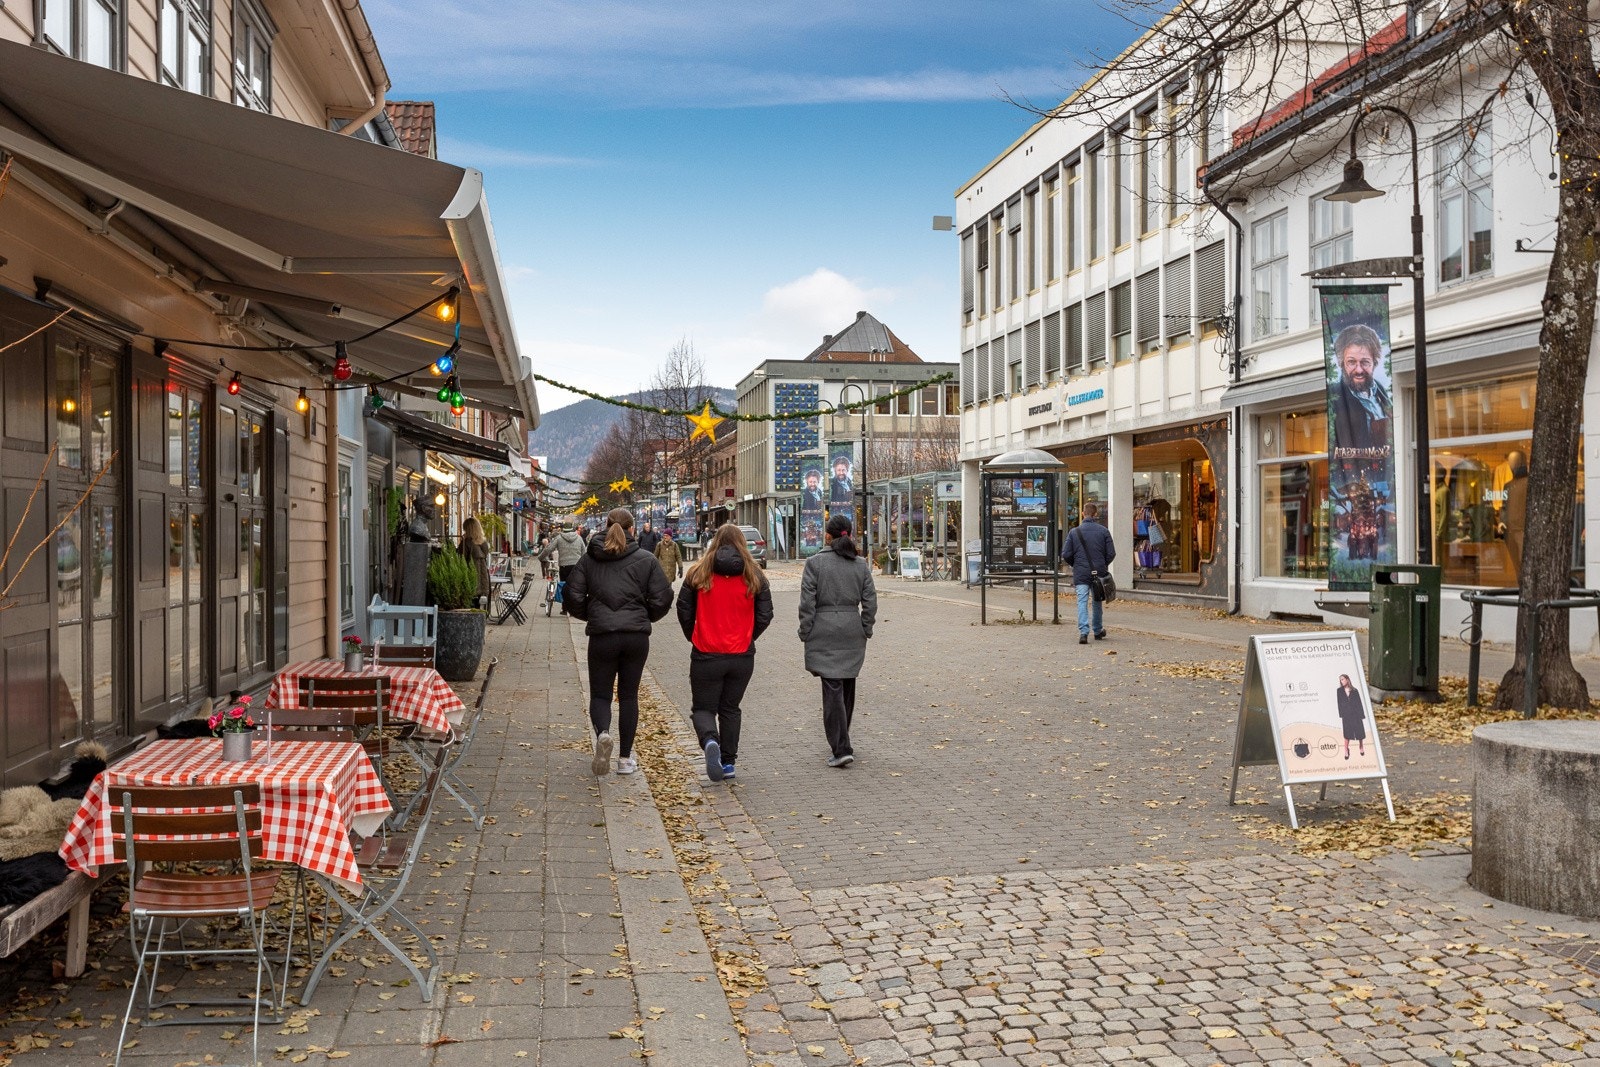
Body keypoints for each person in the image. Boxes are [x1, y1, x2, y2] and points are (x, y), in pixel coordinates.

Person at [564, 508, 673, 776]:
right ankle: (625, 759)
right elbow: (664, 597)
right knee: (628, 696)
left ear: (605, 526)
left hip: (603, 637)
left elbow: (571, 595)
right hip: (635, 637)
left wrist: (592, 614)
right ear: (632, 529)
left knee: (601, 694)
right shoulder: (646, 560)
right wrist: (645, 616)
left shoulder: (590, 559)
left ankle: (603, 734)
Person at [676, 524, 774, 782]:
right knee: (731, 709)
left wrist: (695, 636)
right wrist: (748, 635)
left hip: (706, 652)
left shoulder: (698, 573)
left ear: (715, 542)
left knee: (703, 709)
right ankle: (728, 763)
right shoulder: (754, 574)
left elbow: (683, 608)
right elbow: (766, 614)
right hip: (741, 655)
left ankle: (710, 741)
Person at [798, 514, 877, 768]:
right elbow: (870, 601)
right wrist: (865, 627)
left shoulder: (814, 563)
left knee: (832, 688)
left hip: (823, 630)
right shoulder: (861, 565)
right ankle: (843, 740)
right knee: (847, 684)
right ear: (849, 534)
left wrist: (806, 630)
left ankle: (841, 747)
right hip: (852, 629)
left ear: (828, 536)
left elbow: (807, 602)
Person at [1329, 323, 1392, 451]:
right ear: (1342, 363)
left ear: (1374, 363)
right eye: (1351, 362)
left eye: (1365, 362)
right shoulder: (1333, 397)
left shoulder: (1381, 390)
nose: (1358, 370)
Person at [1061, 503, 1116, 644]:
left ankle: (1083, 632)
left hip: (1081, 573)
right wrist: (1102, 564)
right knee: (1097, 600)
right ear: (1095, 514)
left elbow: (1066, 554)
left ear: (1083, 513)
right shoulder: (1104, 531)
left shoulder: (1074, 532)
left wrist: (1076, 564)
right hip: (1099, 572)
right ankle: (1097, 630)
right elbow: (1111, 553)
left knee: (1082, 601)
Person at [539, 519, 588, 615]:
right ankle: (574, 608)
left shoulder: (559, 538)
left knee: (564, 586)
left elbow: (549, 548)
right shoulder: (578, 538)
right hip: (576, 566)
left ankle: (565, 608)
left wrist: (541, 557)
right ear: (572, 529)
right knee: (574, 587)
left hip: (564, 566)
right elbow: (584, 553)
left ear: (563, 529)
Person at [459, 516, 491, 608]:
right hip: (483, 577)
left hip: (471, 577)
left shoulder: (466, 543)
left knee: (470, 603)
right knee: (479, 604)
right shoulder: (483, 543)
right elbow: (485, 555)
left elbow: (461, 558)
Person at [1335, 674, 1366, 759]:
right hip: (1346, 714)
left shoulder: (1355, 690)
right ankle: (1346, 750)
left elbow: (1359, 703)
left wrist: (1361, 714)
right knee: (1347, 733)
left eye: (1343, 679)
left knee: (1359, 731)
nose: (1341, 681)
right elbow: (1339, 703)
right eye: (1340, 680)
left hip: (1356, 713)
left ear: (1347, 679)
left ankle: (1361, 746)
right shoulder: (1339, 691)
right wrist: (1342, 714)